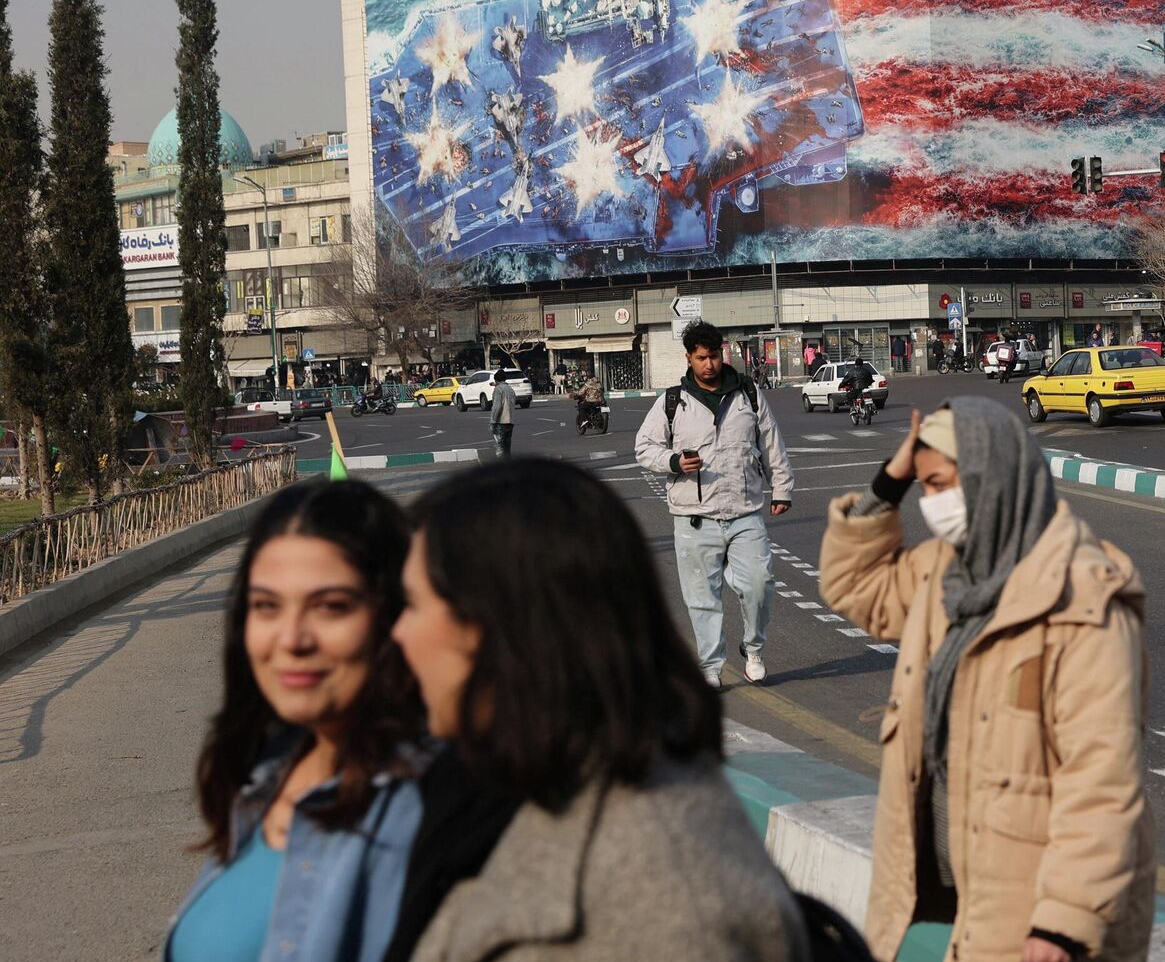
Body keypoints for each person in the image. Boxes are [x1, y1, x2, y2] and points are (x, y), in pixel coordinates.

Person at [391, 459, 805, 961]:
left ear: (503, 628)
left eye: (413, 606)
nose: (397, 634)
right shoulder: (495, 789)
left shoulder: (666, 910)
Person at [819, 401, 1156, 962]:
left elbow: (1101, 780)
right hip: (977, 887)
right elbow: (853, 585)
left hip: (1042, 917)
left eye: (939, 485)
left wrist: (1062, 924)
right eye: (924, 487)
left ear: (989, 477)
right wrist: (891, 480)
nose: (931, 503)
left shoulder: (1083, 602)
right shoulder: (948, 573)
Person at [171, 480, 424, 962]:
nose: (291, 639)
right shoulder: (267, 772)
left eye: (331, 607)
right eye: (266, 606)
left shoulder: (425, 806)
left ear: (395, 616)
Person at [634, 320, 794, 687]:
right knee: (702, 599)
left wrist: (782, 489)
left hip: (744, 511)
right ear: (688, 358)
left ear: (723, 354)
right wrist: (674, 461)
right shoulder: (672, 402)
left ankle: (753, 648)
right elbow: (644, 447)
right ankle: (710, 666)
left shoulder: (748, 394)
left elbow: (772, 443)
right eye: (701, 358)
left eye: (714, 356)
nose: (709, 364)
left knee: (759, 584)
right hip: (694, 517)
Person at [487, 368, 514, 458]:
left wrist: (493, 421)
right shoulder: (510, 389)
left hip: (500, 421)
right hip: (510, 421)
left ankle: (502, 464)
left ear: (496, 380)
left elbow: (497, 407)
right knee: (507, 447)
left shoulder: (498, 389)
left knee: (500, 447)